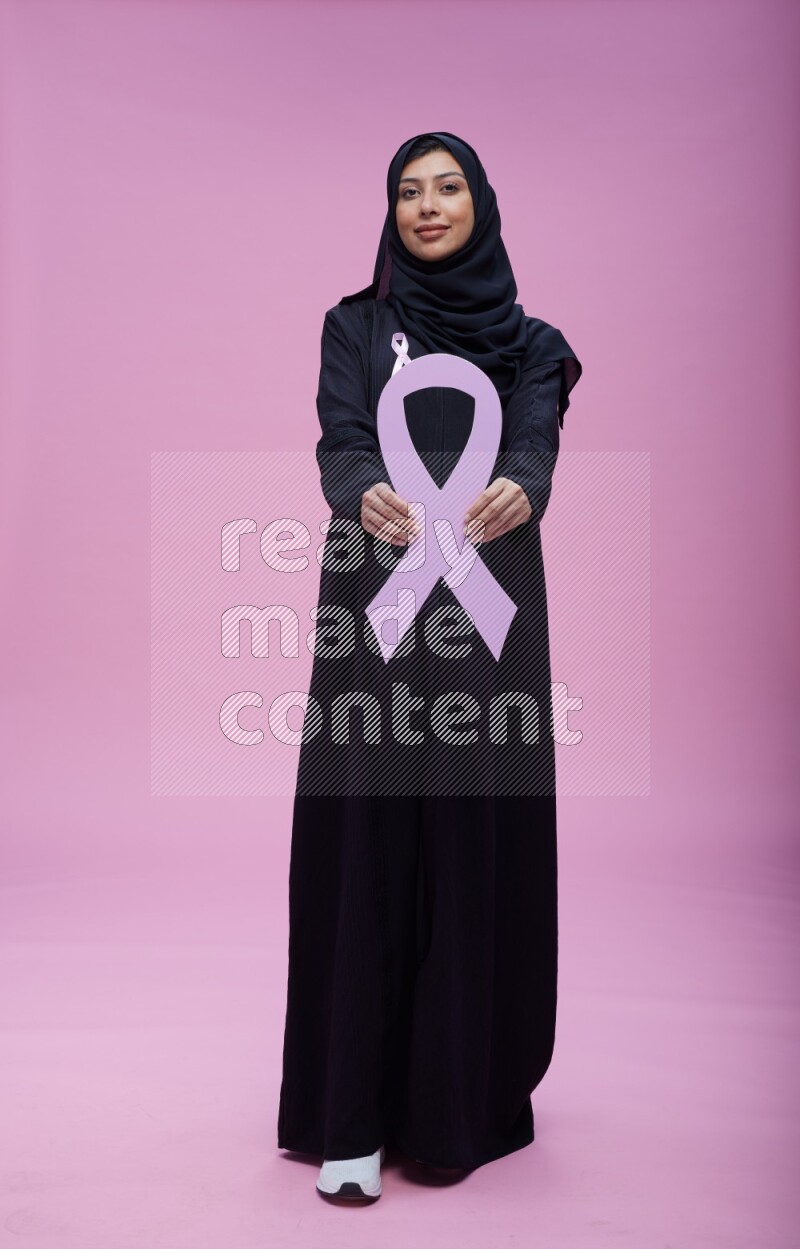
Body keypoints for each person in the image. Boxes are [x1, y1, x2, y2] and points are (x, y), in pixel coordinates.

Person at [277, 130, 583, 1202]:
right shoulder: (354, 326)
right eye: (407, 190)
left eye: (446, 187)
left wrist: (525, 482)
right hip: (375, 602)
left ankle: (457, 1103)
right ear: (391, 213)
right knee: (367, 838)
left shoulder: (534, 343)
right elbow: (339, 437)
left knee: (468, 837)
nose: (426, 205)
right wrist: (360, 485)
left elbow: (534, 433)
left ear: (479, 204)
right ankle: (347, 1113)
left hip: (485, 625)